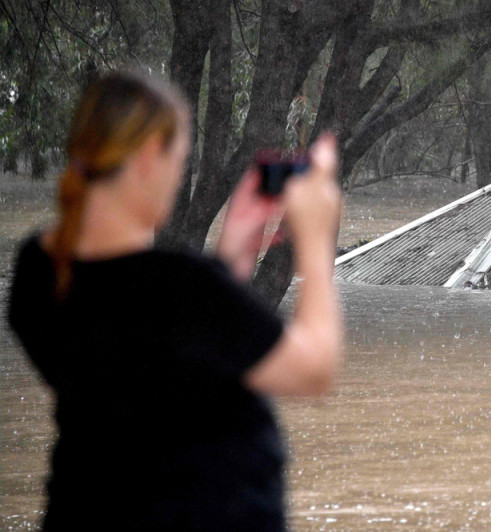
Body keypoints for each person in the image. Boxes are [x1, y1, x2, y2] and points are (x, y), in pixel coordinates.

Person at [5, 71, 344, 531]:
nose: (179, 176)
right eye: (180, 160)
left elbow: (172, 370)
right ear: (148, 157)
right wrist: (317, 242)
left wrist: (235, 247)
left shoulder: (39, 273)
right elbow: (315, 368)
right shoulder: (179, 289)